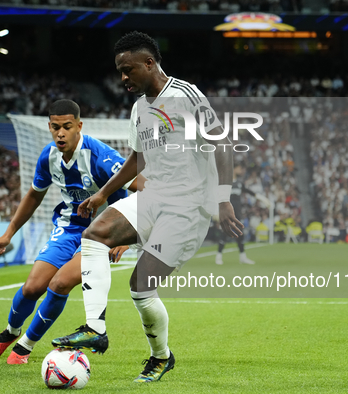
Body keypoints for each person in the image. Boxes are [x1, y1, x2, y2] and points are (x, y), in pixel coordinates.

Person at [52, 32, 242, 382]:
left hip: (188, 208)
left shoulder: (185, 95)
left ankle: (160, 357)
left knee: (141, 286)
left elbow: (223, 144)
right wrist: (101, 193)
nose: (123, 78)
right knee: (95, 235)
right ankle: (95, 328)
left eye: (128, 70)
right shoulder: (139, 108)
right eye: (120, 71)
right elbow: (137, 159)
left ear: (149, 63)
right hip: (154, 196)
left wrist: (223, 197)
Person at [0, 99, 141, 365]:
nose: (60, 132)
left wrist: (125, 238)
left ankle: (25, 347)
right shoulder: (49, 157)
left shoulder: (101, 156)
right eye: (55, 127)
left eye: (67, 126)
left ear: (79, 126)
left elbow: (139, 188)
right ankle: (11, 331)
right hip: (67, 229)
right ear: (49, 127)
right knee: (33, 287)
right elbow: (34, 195)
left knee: (60, 283)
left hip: (100, 235)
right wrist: (8, 233)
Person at [215, 166, 258, 265]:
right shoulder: (224, 183)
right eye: (239, 168)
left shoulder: (239, 183)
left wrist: (261, 197)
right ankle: (218, 256)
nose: (241, 170)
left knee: (240, 235)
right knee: (224, 234)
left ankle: (242, 257)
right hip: (227, 214)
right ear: (233, 169)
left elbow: (248, 191)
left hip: (238, 214)